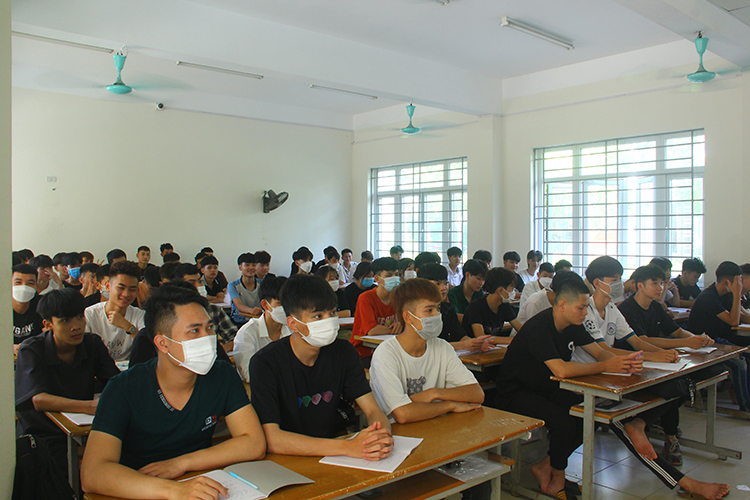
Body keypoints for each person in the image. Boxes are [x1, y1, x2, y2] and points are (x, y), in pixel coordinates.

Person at [80, 285, 266, 500]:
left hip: (202, 483)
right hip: (140, 489)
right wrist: (174, 491)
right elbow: (93, 473)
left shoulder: (221, 375)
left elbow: (253, 443)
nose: (208, 338)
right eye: (194, 331)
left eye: (209, 328)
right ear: (163, 343)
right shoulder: (123, 388)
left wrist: (182, 463)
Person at [495, 277, 644, 500]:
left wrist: (622, 363)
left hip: (545, 387)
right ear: (562, 304)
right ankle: (558, 476)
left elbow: (599, 352)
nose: (585, 313)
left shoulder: (573, 324)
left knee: (589, 415)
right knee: (563, 422)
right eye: (581, 307)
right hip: (515, 391)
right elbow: (561, 370)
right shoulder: (539, 327)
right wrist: (606, 366)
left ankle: (547, 466)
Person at [249, 274, 393, 460]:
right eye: (318, 316)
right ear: (293, 324)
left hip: (333, 450)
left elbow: (372, 410)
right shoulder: (265, 363)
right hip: (287, 456)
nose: (329, 321)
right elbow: (272, 438)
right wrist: (347, 447)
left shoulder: (343, 352)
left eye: (332, 313)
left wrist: (381, 435)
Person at [369, 278, 488, 499]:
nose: (437, 315)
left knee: (481, 481)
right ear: (408, 317)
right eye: (429, 310)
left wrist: (434, 394)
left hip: (438, 432)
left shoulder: (441, 347)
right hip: (400, 441)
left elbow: (476, 394)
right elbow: (403, 414)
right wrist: (450, 404)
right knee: (425, 488)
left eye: (438, 309)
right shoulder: (387, 353)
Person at [580, 257, 688, 465]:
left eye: (620, 278)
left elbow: (636, 341)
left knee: (677, 386)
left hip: (613, 369)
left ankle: (640, 423)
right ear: (597, 283)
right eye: (614, 280)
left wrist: (665, 354)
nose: (619, 284)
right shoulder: (586, 310)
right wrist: (653, 356)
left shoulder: (612, 309)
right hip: (592, 372)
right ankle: (638, 425)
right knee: (667, 387)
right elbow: (603, 350)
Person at [15, 289, 118, 475]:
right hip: (44, 434)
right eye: (65, 321)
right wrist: (88, 406)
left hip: (84, 430)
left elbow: (116, 383)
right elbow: (39, 400)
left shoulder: (92, 343)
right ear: (48, 324)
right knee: (62, 469)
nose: (76, 326)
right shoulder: (31, 349)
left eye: (79, 317)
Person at [688, 261, 750, 409]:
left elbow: (741, 316)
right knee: (739, 362)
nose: (740, 284)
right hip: (702, 343)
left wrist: (736, 295)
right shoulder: (708, 297)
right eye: (738, 281)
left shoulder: (725, 295)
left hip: (716, 339)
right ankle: (745, 406)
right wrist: (737, 294)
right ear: (729, 282)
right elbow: (734, 321)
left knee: (746, 354)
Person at [233, 276, 291, 382]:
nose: (287, 309)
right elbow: (248, 374)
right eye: (280, 304)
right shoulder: (247, 333)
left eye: (289, 303)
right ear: (265, 305)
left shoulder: (293, 329)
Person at [84, 261, 145, 361]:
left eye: (132, 289)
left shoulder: (139, 315)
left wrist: (128, 327)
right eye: (121, 288)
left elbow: (147, 347)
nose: (126, 294)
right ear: (108, 286)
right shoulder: (90, 314)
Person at [418, 264, 484, 352]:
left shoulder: (447, 309)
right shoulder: (415, 311)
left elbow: (459, 334)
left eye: (446, 283)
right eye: (437, 284)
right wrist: (462, 345)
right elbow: (425, 345)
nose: (443, 288)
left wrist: (475, 343)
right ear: (423, 285)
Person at [350, 257, 402, 366]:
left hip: (390, 349)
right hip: (365, 352)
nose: (394, 278)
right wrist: (396, 329)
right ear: (377, 278)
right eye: (389, 275)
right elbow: (372, 330)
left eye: (396, 274)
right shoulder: (366, 298)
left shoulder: (399, 297)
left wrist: (400, 325)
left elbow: (405, 323)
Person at [173, 264, 237, 351]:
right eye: (191, 283)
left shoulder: (213, 310)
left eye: (200, 282)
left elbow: (236, 338)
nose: (198, 286)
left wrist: (223, 349)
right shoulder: (172, 313)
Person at [463, 267, 522, 340]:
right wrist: (512, 340)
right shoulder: (475, 307)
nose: (513, 292)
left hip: (493, 346)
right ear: (500, 290)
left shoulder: (504, 305)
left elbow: (520, 329)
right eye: (512, 288)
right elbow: (481, 337)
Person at [12, 263, 43, 353]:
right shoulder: (3, 306)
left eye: (30, 283)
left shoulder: (42, 305)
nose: (24, 287)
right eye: (18, 282)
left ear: (36, 285)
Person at [227, 252, 262, 325]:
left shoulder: (262, 284)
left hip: (258, 320)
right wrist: (252, 311)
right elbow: (239, 306)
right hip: (240, 321)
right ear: (240, 267)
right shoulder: (233, 286)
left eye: (253, 265)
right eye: (247, 265)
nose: (251, 268)